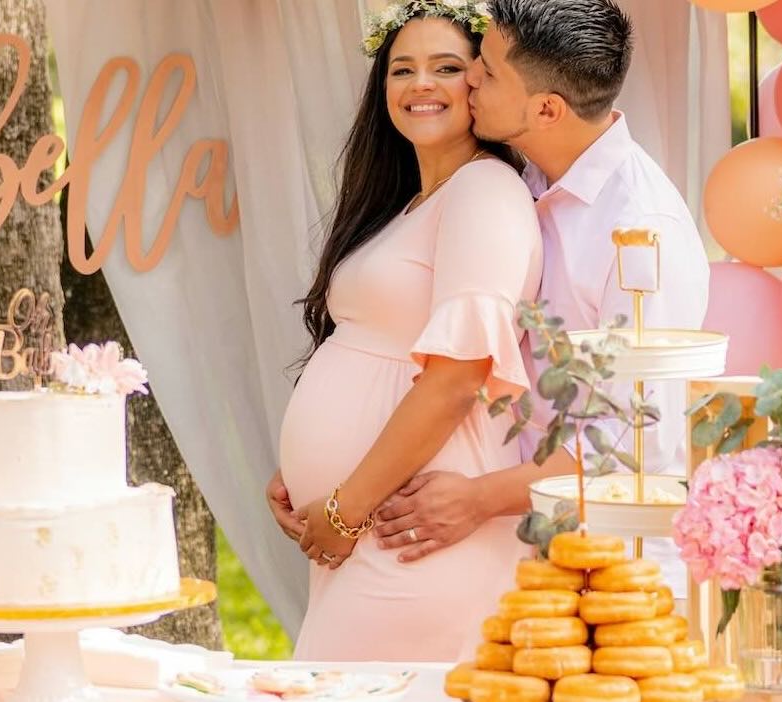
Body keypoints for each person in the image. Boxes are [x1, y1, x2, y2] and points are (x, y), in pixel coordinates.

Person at [365, 0, 712, 597]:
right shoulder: (526, 180)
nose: (470, 77)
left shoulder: (641, 232)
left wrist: (479, 499)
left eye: (488, 72)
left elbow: (630, 442)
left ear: (547, 109)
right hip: (526, 553)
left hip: (619, 567)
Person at [266, 0, 543, 663]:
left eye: (445, 67)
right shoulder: (410, 202)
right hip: (361, 522)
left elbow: (454, 382)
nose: (420, 85)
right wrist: (308, 481)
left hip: (407, 530)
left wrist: (341, 508)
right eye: (402, 69)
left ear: (478, 82)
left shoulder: (484, 192)